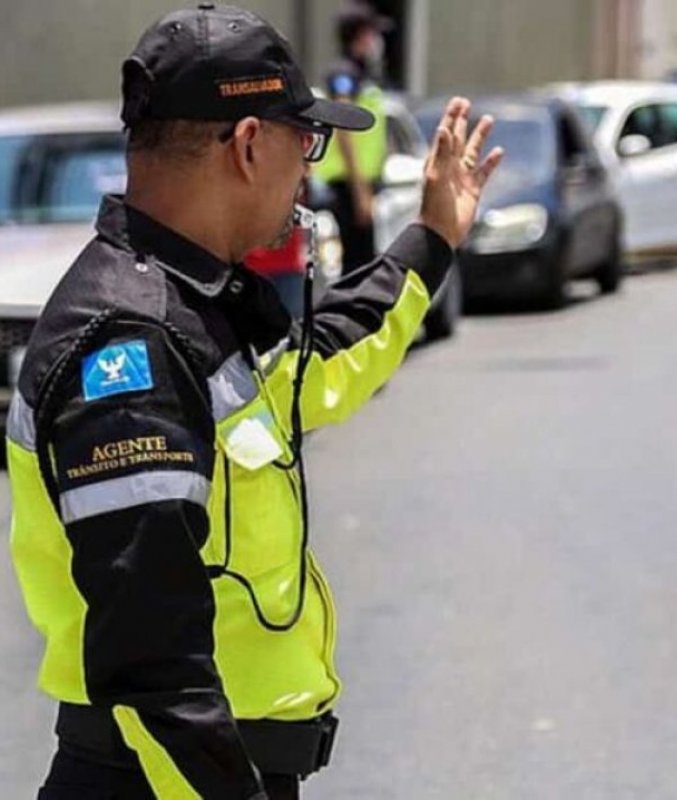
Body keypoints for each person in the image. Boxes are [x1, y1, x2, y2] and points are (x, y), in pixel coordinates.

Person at [5, 3, 501, 798]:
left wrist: (432, 238)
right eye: (303, 141)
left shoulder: (191, 303)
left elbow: (324, 365)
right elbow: (155, 673)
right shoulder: (130, 344)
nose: (307, 173)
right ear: (246, 145)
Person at [313, 2, 394, 271]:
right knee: (356, 266)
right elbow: (344, 129)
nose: (376, 41)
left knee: (364, 261)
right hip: (346, 185)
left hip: (359, 183)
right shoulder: (344, 73)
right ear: (361, 34)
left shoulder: (362, 74)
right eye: (373, 33)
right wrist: (360, 190)